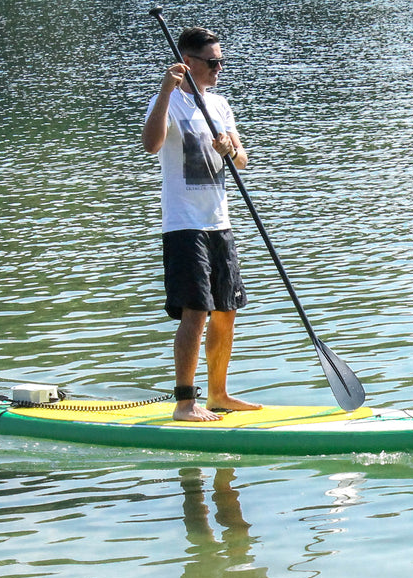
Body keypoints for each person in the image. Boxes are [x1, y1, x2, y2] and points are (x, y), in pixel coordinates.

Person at [143, 26, 261, 422]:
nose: (219, 68)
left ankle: (218, 394)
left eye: (221, 61)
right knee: (195, 311)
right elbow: (151, 144)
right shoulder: (170, 102)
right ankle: (184, 402)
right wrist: (165, 91)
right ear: (188, 63)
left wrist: (231, 149)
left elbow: (241, 159)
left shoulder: (220, 105)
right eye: (212, 62)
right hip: (184, 225)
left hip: (218, 222)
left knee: (226, 310)